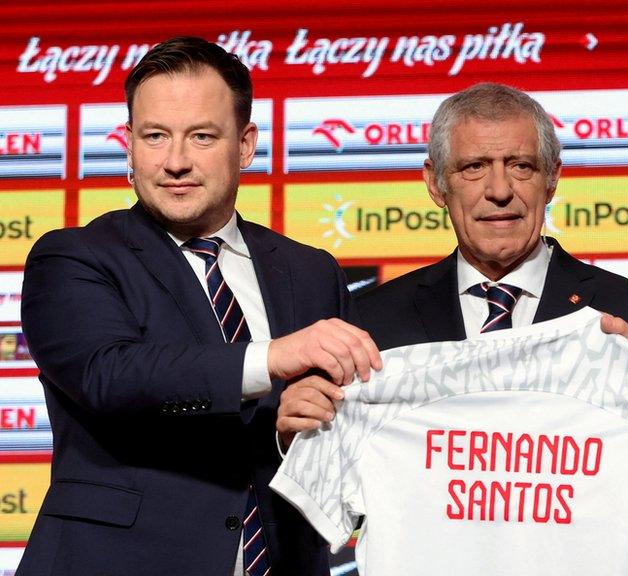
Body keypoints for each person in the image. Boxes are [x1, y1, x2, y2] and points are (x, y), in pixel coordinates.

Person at [18, 37, 379, 576]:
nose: (175, 162)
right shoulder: (74, 256)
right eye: (155, 136)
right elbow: (109, 375)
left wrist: (293, 437)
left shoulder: (311, 271)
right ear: (130, 145)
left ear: (246, 144)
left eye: (202, 137)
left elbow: (350, 444)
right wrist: (270, 358)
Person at [277, 82, 628, 443]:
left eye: (521, 166)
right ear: (435, 184)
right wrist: (300, 437)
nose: (500, 191)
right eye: (474, 167)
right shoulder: (373, 321)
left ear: (552, 178)